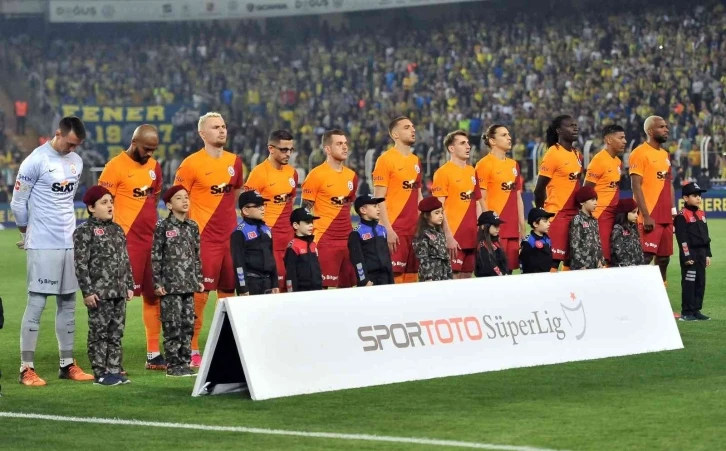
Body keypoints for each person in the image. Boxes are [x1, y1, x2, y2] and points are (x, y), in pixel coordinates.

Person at [11, 116, 94, 386]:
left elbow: (65, 200)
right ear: (58, 133)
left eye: (77, 145)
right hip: (43, 242)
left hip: (69, 241)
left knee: (68, 302)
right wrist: (25, 233)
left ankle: (67, 364)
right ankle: (26, 368)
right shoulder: (35, 161)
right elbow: (18, 202)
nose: (73, 149)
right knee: (37, 302)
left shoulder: (76, 161)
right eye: (70, 143)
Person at [174, 112, 244, 367]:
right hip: (203, 239)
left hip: (230, 239)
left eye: (223, 126)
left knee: (228, 292)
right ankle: (191, 348)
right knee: (199, 293)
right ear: (202, 133)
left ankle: (224, 345)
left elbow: (236, 193)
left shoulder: (235, 162)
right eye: (215, 127)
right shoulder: (190, 164)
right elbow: (177, 198)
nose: (222, 130)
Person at [98, 125, 166, 371]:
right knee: (116, 299)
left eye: (153, 149)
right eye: (146, 148)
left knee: (154, 295)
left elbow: (154, 199)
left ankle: (153, 354)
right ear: (134, 142)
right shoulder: (114, 167)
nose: (150, 154)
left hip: (151, 242)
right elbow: (102, 204)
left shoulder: (155, 167)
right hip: (125, 242)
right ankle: (110, 359)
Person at [73, 185, 134, 386]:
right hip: (99, 293)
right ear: (91, 208)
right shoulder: (84, 231)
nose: (110, 206)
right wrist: (87, 292)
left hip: (119, 291)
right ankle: (100, 373)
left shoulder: (117, 230)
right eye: (104, 202)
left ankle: (115, 370)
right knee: (99, 334)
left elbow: (125, 259)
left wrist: (129, 284)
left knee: (116, 333)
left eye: (111, 202)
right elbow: (81, 264)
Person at [152, 185, 204, 377]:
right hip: (170, 287)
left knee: (188, 325)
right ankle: (173, 365)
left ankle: (184, 362)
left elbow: (197, 256)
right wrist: (157, 283)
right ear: (169, 205)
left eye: (186, 197)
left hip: (188, 285)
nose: (184, 201)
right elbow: (156, 257)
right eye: (179, 198)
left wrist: (199, 278)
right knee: (172, 325)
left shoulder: (193, 226)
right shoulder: (163, 227)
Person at [301, 129, 358, 289]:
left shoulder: (352, 176)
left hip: (347, 241)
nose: (345, 147)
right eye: (339, 144)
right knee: (320, 289)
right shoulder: (316, 175)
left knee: (348, 289)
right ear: (327, 149)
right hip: (324, 240)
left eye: (345, 143)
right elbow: (304, 211)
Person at [243, 130, 298, 290]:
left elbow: (291, 202)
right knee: (272, 288)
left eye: (291, 149)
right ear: (271, 148)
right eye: (284, 150)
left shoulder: (292, 173)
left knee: (291, 288)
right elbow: (248, 209)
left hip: (289, 240)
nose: (288, 154)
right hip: (268, 241)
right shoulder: (258, 174)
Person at [372, 117, 423, 283]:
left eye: (413, 126)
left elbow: (418, 196)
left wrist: (423, 226)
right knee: (394, 280)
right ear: (395, 134)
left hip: (414, 231)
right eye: (407, 127)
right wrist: (387, 229)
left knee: (412, 279)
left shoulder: (416, 161)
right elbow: (378, 198)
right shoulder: (385, 160)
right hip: (394, 229)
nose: (413, 130)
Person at [629, 116, 675, 285]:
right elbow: (636, 186)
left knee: (664, 259)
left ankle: (661, 292)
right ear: (650, 131)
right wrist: (646, 215)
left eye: (666, 126)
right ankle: (636, 290)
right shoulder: (639, 153)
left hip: (666, 216)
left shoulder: (665, 154)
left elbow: (669, 184)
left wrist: (673, 210)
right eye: (661, 127)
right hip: (650, 215)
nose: (666, 129)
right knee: (645, 256)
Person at [534, 115, 582, 271]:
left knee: (571, 260)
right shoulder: (553, 153)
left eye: (575, 125)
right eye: (570, 125)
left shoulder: (577, 154)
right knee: (553, 261)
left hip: (575, 215)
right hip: (557, 214)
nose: (575, 128)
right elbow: (539, 189)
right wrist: (541, 214)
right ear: (559, 131)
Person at [431, 130, 481, 279]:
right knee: (453, 279)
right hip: (453, 237)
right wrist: (447, 236)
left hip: (472, 237)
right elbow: (438, 208)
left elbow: (477, 203)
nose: (468, 146)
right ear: (451, 148)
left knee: (467, 278)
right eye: (462, 143)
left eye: (468, 143)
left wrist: (480, 231)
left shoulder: (472, 171)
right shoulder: (443, 172)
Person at [475, 125, 526, 270]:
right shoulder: (483, 165)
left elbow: (518, 198)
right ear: (492, 141)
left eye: (508, 134)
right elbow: (480, 199)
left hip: (512, 229)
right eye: (504, 135)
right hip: (495, 229)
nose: (509, 138)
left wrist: (522, 227)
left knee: (509, 271)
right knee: (495, 272)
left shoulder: (513, 165)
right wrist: (486, 226)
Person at [584, 124, 626, 265]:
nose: (624, 141)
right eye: (621, 138)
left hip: (613, 214)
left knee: (612, 254)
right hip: (600, 214)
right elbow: (586, 189)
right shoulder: (599, 160)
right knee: (600, 256)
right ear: (608, 140)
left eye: (624, 138)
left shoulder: (618, 162)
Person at [675, 183, 712, 321]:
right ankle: (686, 312)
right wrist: (686, 256)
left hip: (701, 253)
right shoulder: (682, 215)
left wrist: (707, 253)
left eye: (699, 196)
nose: (698, 198)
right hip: (690, 254)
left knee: (700, 282)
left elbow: (706, 236)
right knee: (689, 283)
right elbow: (682, 239)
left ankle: (696, 310)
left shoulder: (701, 213)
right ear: (685, 198)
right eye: (695, 195)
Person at [231, 190, 279, 296]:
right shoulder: (240, 232)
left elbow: (271, 257)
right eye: (258, 206)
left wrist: (275, 283)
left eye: (263, 205)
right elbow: (238, 263)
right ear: (245, 210)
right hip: (251, 283)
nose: (262, 208)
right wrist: (243, 288)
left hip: (268, 283)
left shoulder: (266, 229)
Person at [348, 195, 394, 286]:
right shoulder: (356, 233)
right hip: (370, 280)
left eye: (378, 206)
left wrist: (391, 279)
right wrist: (364, 280)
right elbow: (357, 260)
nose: (379, 209)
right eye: (374, 206)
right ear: (363, 210)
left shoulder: (382, 229)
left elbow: (387, 257)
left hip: (385, 278)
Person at [412, 197, 452, 282]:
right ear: (426, 215)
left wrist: (449, 276)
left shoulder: (440, 233)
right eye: (437, 213)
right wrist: (428, 278)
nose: (441, 216)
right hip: (431, 278)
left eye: (441, 212)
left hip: (444, 277)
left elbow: (445, 258)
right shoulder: (422, 234)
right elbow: (423, 259)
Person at [284, 208, 323, 292]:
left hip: (317, 290)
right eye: (307, 222)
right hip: (301, 292)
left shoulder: (313, 244)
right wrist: (291, 293)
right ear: (296, 225)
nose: (311, 225)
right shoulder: (293, 246)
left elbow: (317, 269)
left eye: (311, 222)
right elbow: (290, 274)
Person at [569, 186, 604, 270]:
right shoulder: (577, 219)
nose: (595, 203)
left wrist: (601, 260)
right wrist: (581, 265)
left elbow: (598, 242)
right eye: (592, 200)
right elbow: (574, 245)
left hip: (595, 265)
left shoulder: (594, 220)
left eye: (596, 200)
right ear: (582, 202)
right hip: (582, 267)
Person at [519, 208, 555, 274]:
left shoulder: (547, 239)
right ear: (535, 224)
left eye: (548, 221)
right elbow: (524, 264)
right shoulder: (528, 242)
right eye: (545, 221)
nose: (549, 223)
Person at [610, 198, 643, 267]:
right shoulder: (618, 230)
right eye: (633, 212)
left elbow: (639, 251)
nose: (636, 215)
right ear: (624, 213)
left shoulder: (634, 229)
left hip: (636, 269)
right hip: (624, 270)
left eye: (637, 212)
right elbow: (618, 253)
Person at [474, 211, 509, 277]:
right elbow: (489, 269)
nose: (498, 228)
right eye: (495, 226)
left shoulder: (496, 242)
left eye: (498, 225)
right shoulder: (482, 247)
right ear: (483, 226)